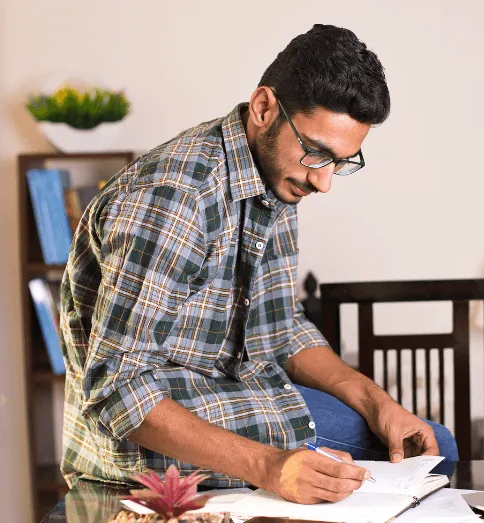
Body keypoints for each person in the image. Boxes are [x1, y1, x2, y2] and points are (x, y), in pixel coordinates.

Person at [58, 23, 459, 505]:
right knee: (439, 452)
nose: (324, 182)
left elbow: (281, 328)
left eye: (341, 162)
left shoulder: (277, 175)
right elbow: (118, 388)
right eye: (317, 153)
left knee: (427, 446)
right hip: (153, 447)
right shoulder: (175, 199)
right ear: (264, 108)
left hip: (248, 400)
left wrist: (377, 402)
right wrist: (271, 468)